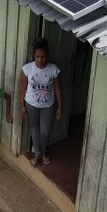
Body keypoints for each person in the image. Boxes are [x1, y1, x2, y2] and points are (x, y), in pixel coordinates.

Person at [20, 38, 61, 167]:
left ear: (46, 56)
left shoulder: (53, 69)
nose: (40, 59)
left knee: (45, 132)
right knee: (35, 130)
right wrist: (21, 105)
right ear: (34, 56)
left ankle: (42, 152)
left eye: (43, 57)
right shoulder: (28, 69)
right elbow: (23, 87)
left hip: (48, 105)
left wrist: (60, 106)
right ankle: (39, 154)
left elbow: (57, 88)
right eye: (37, 56)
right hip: (31, 104)